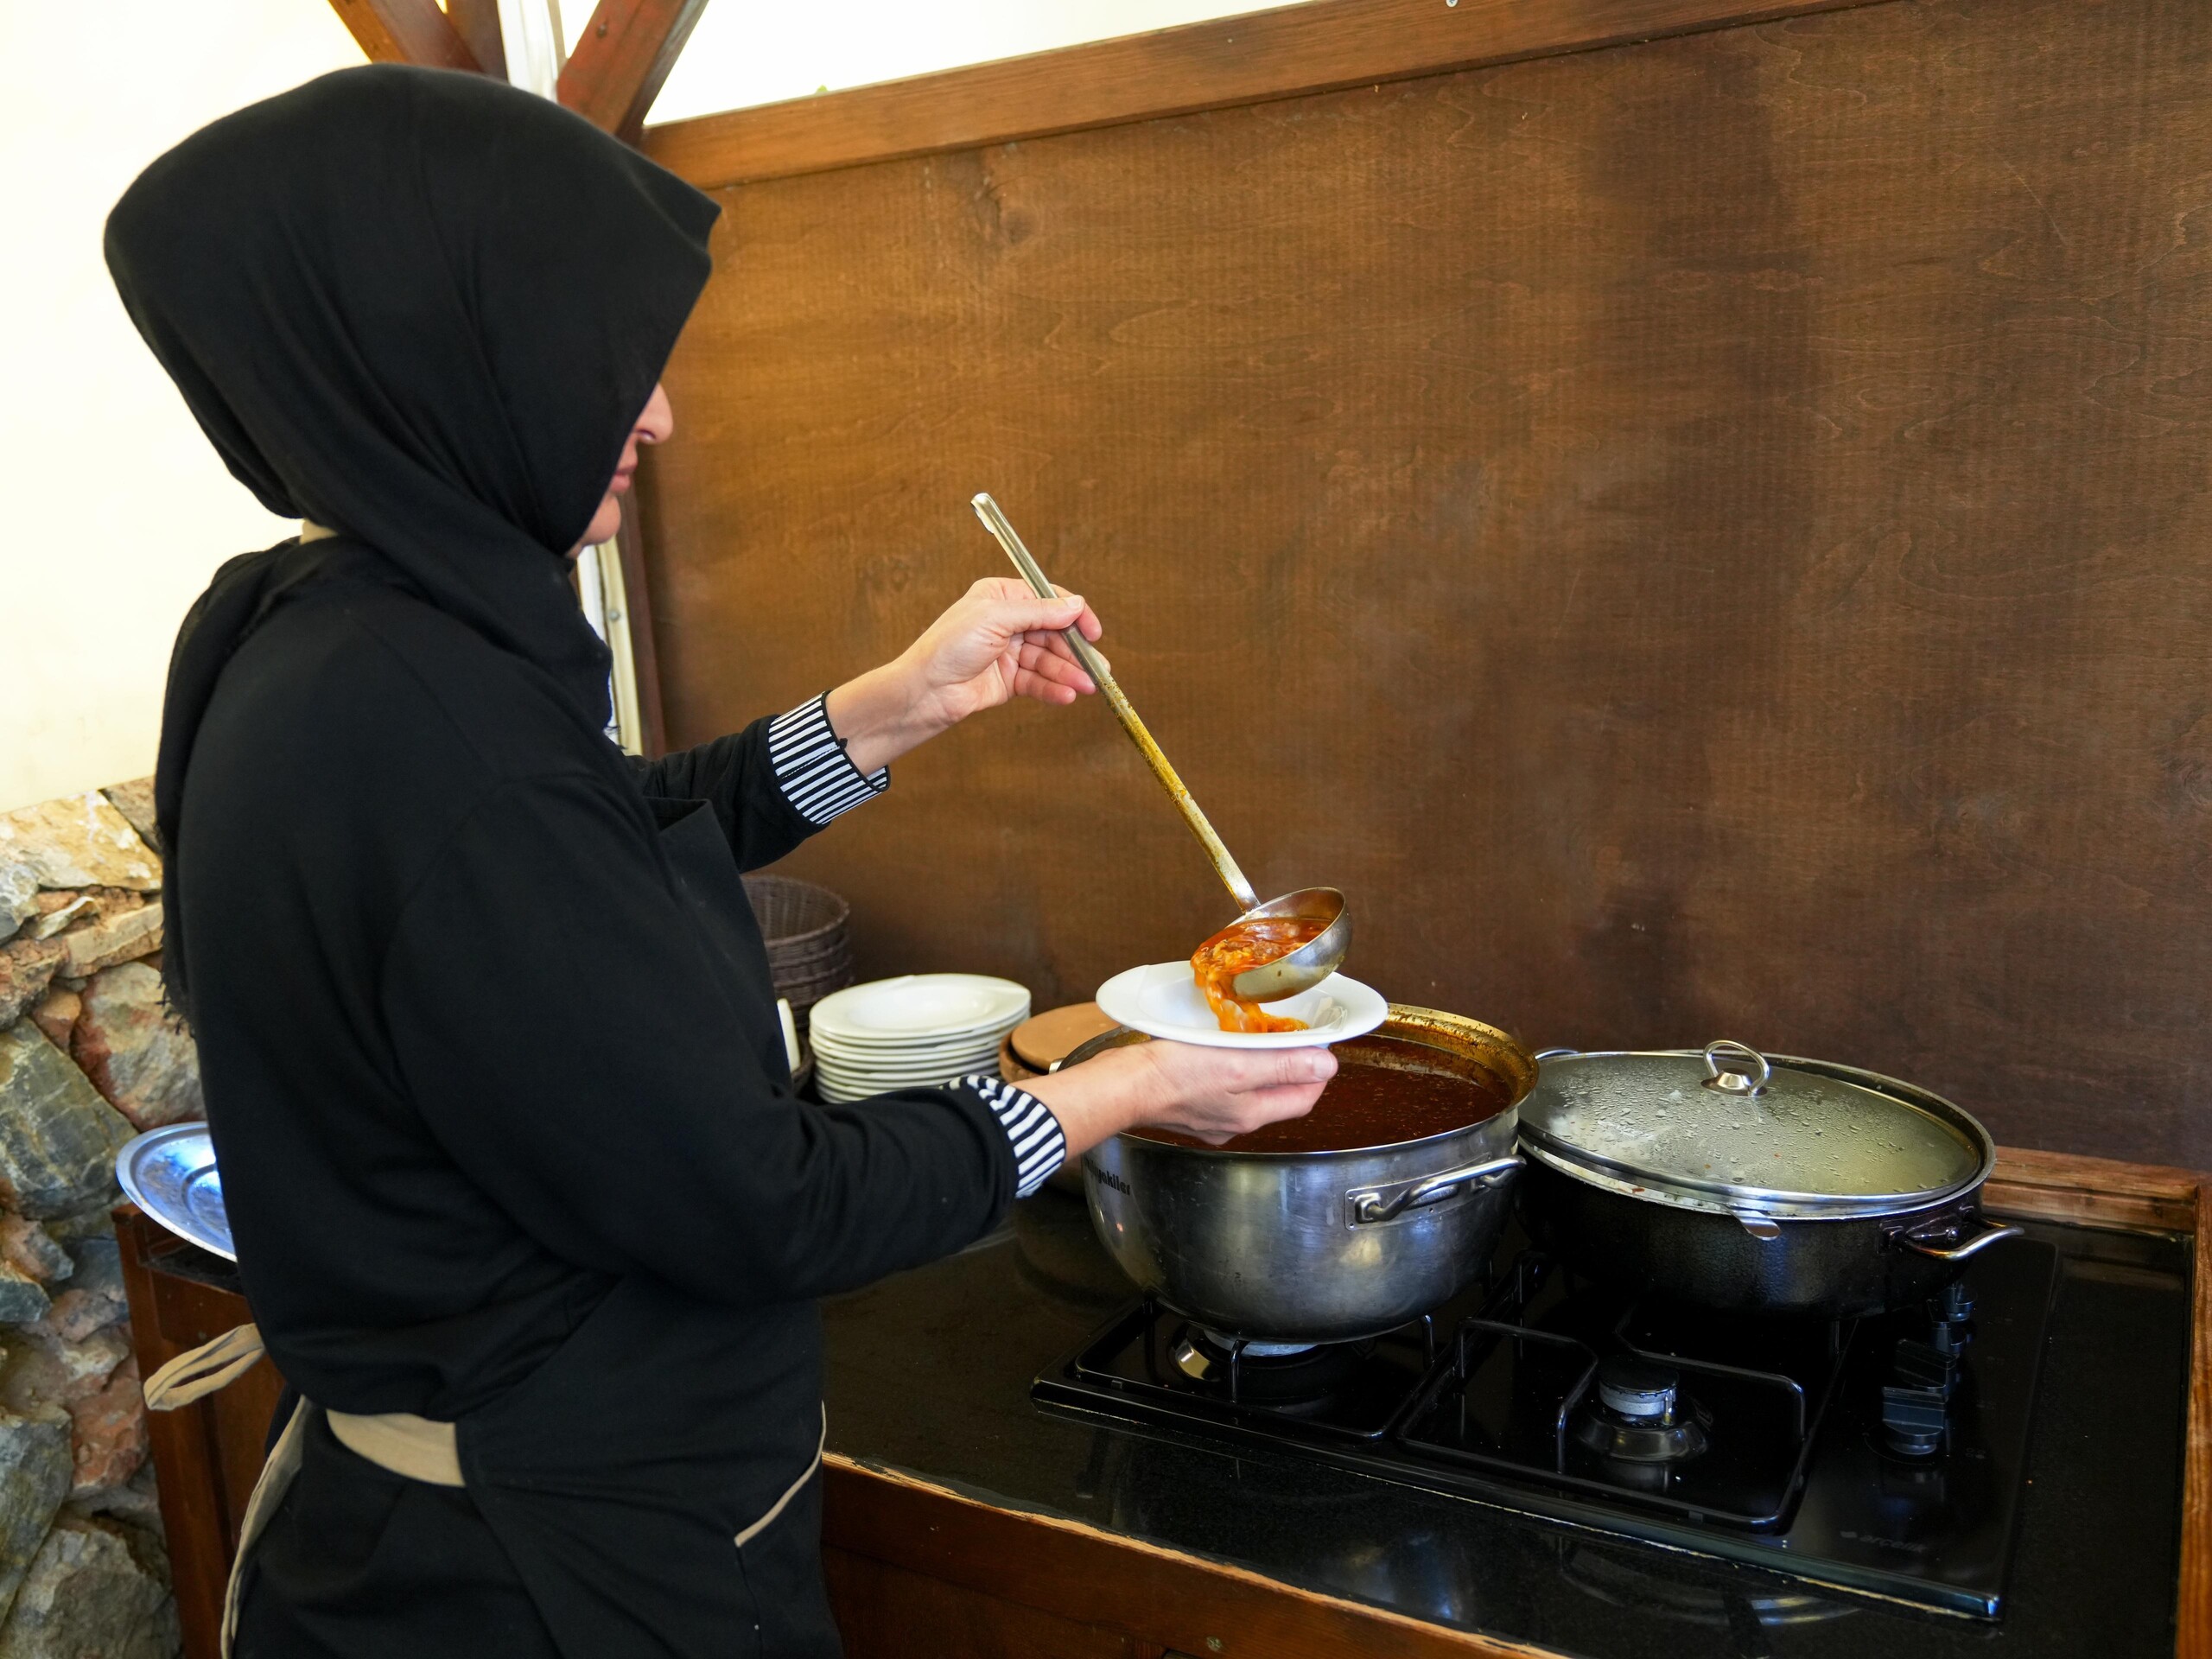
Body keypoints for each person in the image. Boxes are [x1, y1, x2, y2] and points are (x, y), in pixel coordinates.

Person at [105, 63, 1334, 1659]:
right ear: (445, 354)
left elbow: (584, 858)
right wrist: (1127, 1087)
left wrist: (886, 713)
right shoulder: (430, 734)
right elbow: (771, 1208)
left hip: (480, 1526)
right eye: (603, 359)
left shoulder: (333, 628)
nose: (662, 412)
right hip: (539, 1585)